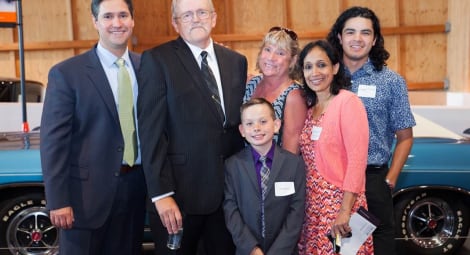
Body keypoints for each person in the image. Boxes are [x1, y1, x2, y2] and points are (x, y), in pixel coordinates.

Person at [137, 0, 248, 254]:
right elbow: (151, 133)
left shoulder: (236, 62)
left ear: (214, 18)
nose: (196, 19)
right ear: (175, 23)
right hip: (179, 198)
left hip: (228, 198)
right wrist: (161, 194)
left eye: (201, 12)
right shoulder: (157, 60)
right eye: (187, 15)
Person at [40, 0, 146, 254]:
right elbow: (53, 143)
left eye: (123, 15)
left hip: (136, 189)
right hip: (84, 200)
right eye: (108, 16)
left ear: (132, 20)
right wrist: (58, 201)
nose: (117, 23)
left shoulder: (148, 67)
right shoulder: (67, 74)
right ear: (95, 22)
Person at [327, 6, 416, 255]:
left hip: (372, 176)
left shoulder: (391, 82)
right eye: (350, 32)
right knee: (334, 244)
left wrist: (389, 180)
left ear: (374, 39)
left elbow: (405, 137)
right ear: (339, 37)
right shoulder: (324, 76)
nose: (357, 39)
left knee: (379, 242)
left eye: (365, 33)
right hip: (330, 177)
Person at [296, 40, 373, 255]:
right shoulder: (310, 108)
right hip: (312, 206)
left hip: (339, 202)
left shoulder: (348, 102)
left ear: (335, 67)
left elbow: (357, 161)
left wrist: (345, 211)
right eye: (308, 66)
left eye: (321, 65)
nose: (315, 73)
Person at [223, 98, 306, 255]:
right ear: (242, 130)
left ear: (276, 125)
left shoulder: (294, 164)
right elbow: (230, 211)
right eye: (249, 124)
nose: (256, 128)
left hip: (284, 251)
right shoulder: (233, 166)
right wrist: (251, 248)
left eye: (263, 121)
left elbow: (296, 211)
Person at [243, 27, 307, 154]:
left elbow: (290, 153)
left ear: (292, 61)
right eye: (267, 49)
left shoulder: (294, 95)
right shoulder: (250, 83)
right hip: (245, 168)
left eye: (280, 53)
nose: (271, 58)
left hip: (276, 170)